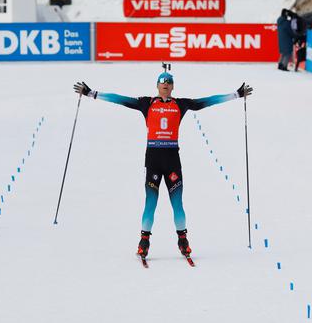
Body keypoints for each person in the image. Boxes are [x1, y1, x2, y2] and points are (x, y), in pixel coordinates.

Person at [73, 73, 253, 260]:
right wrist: (91, 93)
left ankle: (182, 239)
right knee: (150, 203)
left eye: (169, 82)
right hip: (153, 160)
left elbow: (205, 102)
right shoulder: (147, 103)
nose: (165, 85)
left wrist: (236, 95)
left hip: (172, 160)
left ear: (173, 87)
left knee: (178, 204)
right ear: (157, 86)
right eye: (162, 82)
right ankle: (144, 242)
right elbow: (121, 100)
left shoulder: (180, 104)